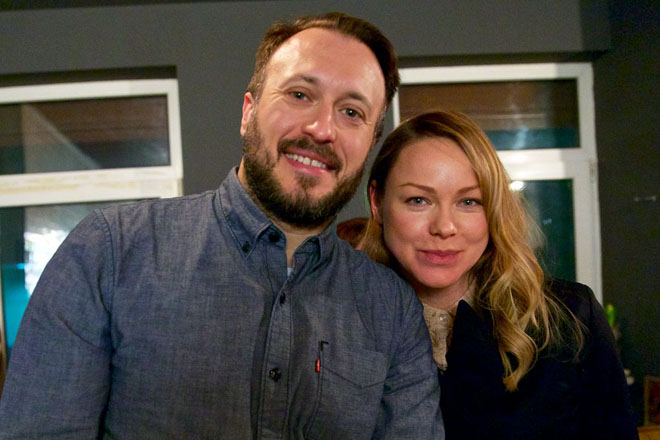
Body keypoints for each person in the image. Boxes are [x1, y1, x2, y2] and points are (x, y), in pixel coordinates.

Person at [0, 13, 443, 438]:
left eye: (352, 112)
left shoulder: (392, 310)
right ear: (248, 112)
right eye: (299, 95)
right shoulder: (110, 253)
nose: (321, 128)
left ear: (369, 143)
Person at [341, 110, 638, 439]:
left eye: (469, 201)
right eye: (418, 200)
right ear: (377, 203)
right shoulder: (336, 324)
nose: (444, 227)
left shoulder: (570, 316)